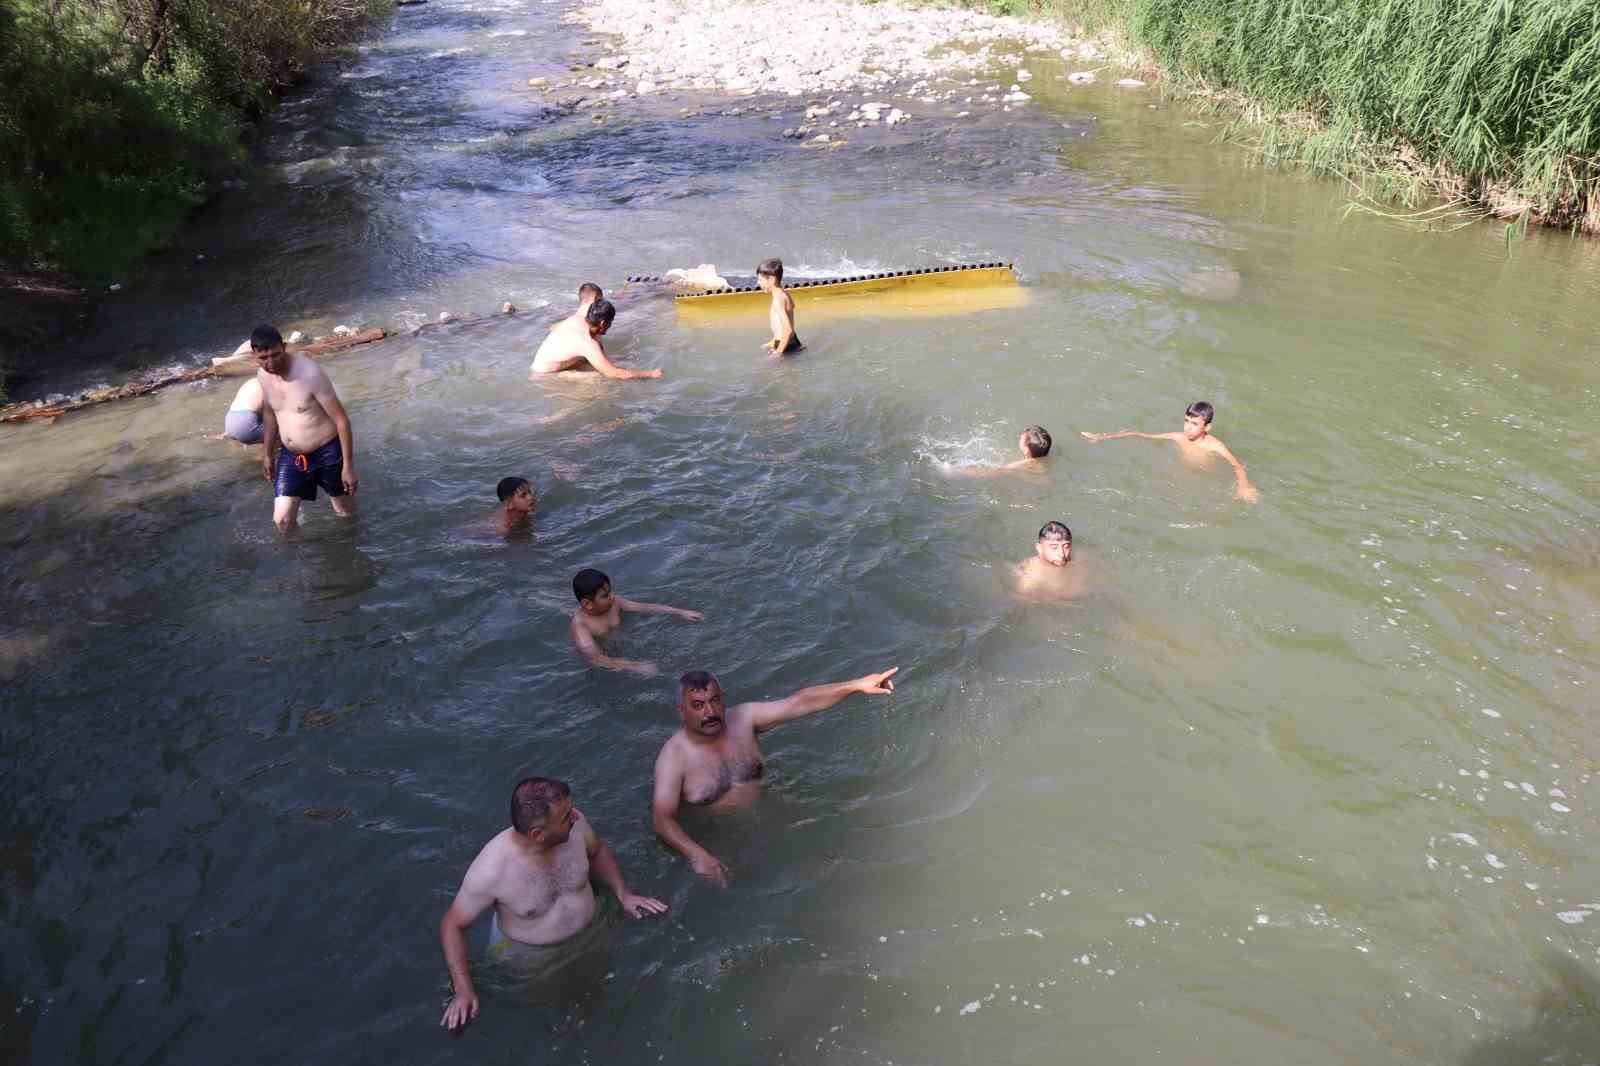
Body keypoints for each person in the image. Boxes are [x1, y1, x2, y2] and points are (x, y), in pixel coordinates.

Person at [438, 777, 668, 1032]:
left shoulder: (576, 827)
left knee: (598, 994)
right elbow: (452, 924)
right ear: (538, 833)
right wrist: (463, 990)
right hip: (532, 958)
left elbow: (598, 851)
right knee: (555, 1011)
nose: (576, 818)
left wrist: (624, 894)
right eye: (566, 816)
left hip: (590, 933)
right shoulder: (492, 871)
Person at [652, 666, 898, 886]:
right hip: (726, 843)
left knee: (843, 864)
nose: (709, 711)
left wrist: (856, 685)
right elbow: (662, 819)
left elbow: (800, 702)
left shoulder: (743, 719)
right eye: (697, 705)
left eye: (715, 700)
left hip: (773, 815)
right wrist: (699, 856)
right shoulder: (673, 757)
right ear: (681, 711)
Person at [253, 324, 357, 532]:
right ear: (253, 354)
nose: (271, 363)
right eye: (263, 358)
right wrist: (267, 455)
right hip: (292, 455)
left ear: (284, 346)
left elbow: (341, 420)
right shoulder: (263, 376)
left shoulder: (309, 373)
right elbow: (269, 414)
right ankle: (302, 559)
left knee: (345, 514)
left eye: (276, 355)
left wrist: (348, 467)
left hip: (328, 452)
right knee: (282, 521)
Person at [1079, 401, 1259, 503]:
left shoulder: (1215, 446)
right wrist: (1102, 437)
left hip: (1202, 479)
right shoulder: (1177, 437)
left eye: (1194, 424)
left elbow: (1237, 465)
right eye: (1186, 421)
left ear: (1208, 427)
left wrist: (1243, 487)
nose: (1188, 427)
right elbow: (1140, 435)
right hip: (1181, 474)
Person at [570, 568, 703, 676]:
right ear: (587, 604)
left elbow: (645, 607)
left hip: (620, 647)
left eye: (610, 591)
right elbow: (596, 658)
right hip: (603, 663)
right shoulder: (581, 626)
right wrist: (635, 666)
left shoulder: (614, 603)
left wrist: (680, 612)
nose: (612, 596)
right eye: (605, 596)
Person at [530, 300, 662, 380]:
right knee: (600, 379)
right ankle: (554, 419)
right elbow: (614, 374)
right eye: (610, 323)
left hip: (543, 364)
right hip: (545, 376)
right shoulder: (587, 343)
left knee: (598, 365)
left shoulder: (575, 319)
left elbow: (551, 327)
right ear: (603, 323)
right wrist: (650, 374)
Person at [1014, 521, 1087, 599]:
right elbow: (1023, 599)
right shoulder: (1032, 574)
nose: (1062, 554)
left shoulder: (1079, 559)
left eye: (1066, 546)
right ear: (1039, 548)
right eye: (1054, 547)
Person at [951, 425, 1052, 476]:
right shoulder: (1043, 460)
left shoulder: (1029, 462)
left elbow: (996, 471)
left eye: (1022, 438)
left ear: (1026, 450)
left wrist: (957, 470)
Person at [756, 258, 802, 354]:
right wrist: (772, 342)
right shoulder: (784, 294)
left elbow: (788, 330)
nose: (758, 283)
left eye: (760, 279)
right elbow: (781, 327)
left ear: (772, 279)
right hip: (790, 342)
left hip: (785, 344)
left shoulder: (778, 299)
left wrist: (778, 353)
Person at [221, 378, 266, 444]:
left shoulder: (251, 381)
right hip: (245, 423)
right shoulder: (269, 384)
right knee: (277, 434)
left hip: (230, 421)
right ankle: (265, 453)